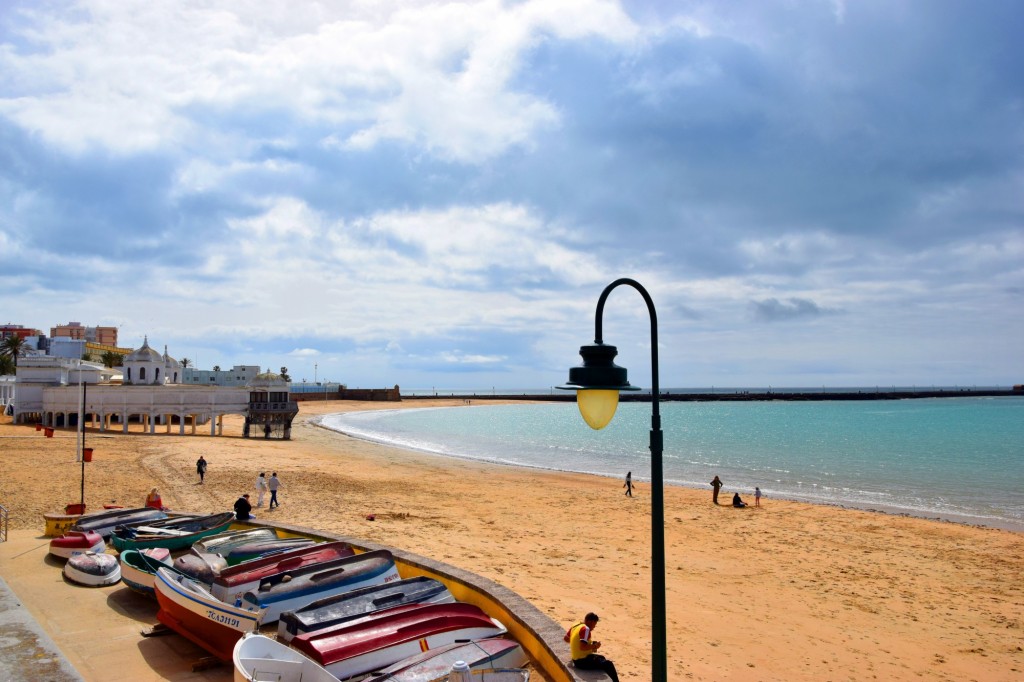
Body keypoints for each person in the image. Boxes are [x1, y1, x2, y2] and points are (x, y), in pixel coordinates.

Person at [564, 612, 619, 682]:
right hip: (582, 661)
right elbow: (582, 647)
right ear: (591, 621)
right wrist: (595, 646)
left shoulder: (576, 625)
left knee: (601, 658)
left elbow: (566, 638)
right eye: (594, 624)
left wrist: (575, 642)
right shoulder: (586, 629)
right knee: (608, 664)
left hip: (575, 659)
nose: (594, 627)